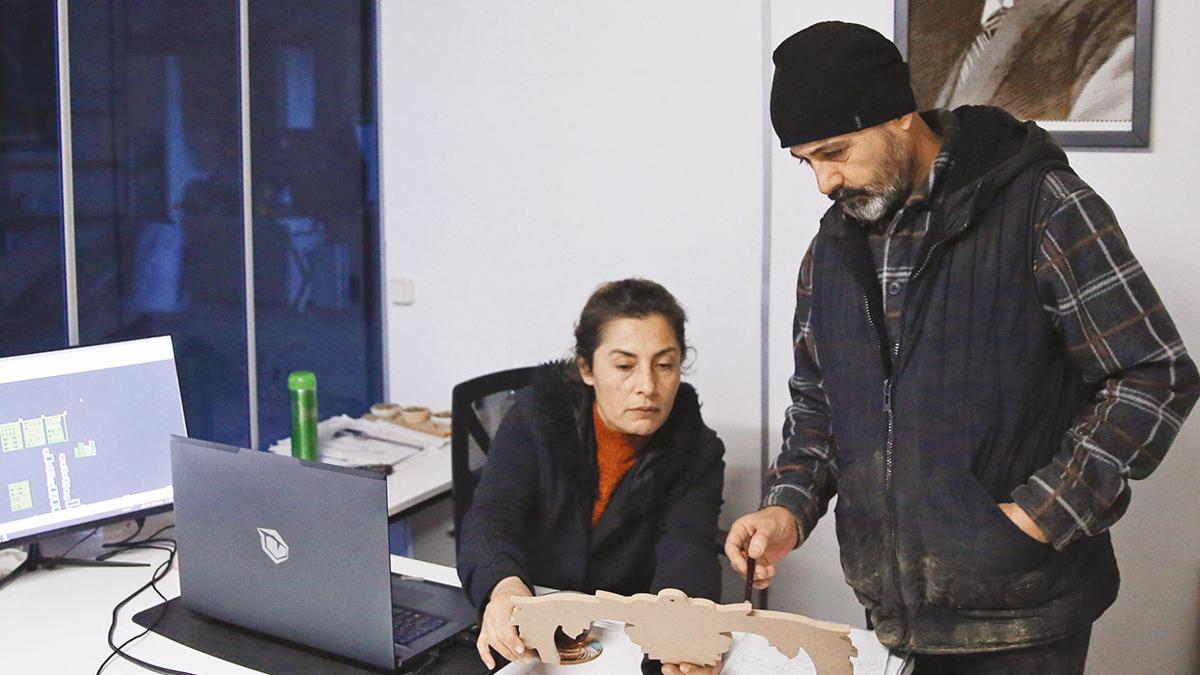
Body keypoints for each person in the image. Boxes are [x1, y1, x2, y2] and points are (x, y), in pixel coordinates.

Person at [724, 21, 1198, 674]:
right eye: (807, 161)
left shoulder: (1044, 209)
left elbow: (1152, 374)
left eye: (835, 151)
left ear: (898, 114)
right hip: (894, 614)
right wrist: (787, 505)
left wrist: (1041, 513)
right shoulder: (831, 251)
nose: (824, 182)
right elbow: (820, 404)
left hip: (1024, 617)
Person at [457, 278, 726, 675]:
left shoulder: (697, 451)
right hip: (533, 630)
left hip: (621, 640)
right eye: (624, 366)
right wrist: (504, 588)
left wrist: (680, 637)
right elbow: (491, 517)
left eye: (665, 365)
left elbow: (687, 553)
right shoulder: (536, 418)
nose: (647, 387)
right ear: (586, 368)